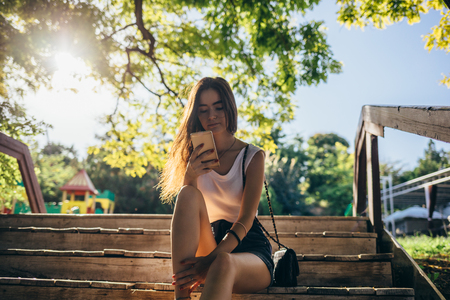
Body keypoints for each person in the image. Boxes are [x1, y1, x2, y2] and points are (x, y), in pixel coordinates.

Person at [159, 77, 274, 300]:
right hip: (209, 241)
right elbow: (188, 212)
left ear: (229, 107)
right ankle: (181, 297)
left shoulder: (252, 156)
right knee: (187, 193)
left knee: (223, 261)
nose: (211, 116)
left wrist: (212, 259)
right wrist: (189, 176)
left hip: (250, 250)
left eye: (218, 107)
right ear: (196, 116)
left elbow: (247, 219)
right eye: (203, 110)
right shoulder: (194, 159)